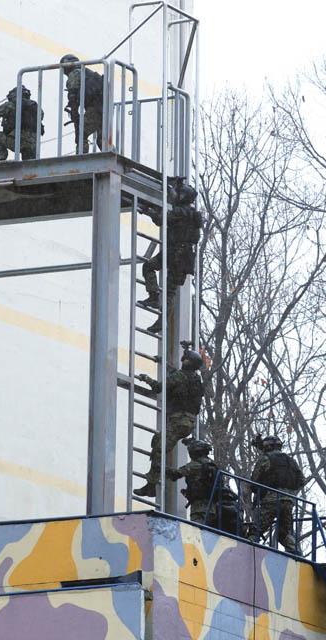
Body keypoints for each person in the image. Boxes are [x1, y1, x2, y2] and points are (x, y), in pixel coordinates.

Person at [134, 345, 204, 498]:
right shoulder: (196, 379)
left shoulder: (180, 377)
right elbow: (179, 377)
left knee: (159, 450)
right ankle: (151, 483)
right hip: (188, 422)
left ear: (187, 362)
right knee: (158, 441)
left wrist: (146, 379)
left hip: (178, 421)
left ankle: (151, 485)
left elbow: (160, 387)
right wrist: (165, 365)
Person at [138, 177, 202, 334]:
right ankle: (159, 313)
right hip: (180, 255)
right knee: (168, 292)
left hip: (176, 255)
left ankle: (154, 298)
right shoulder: (191, 214)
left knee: (150, 268)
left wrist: (149, 211)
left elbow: (161, 220)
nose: (172, 196)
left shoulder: (181, 212)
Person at [249, 435, 305, 554]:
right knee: (285, 534)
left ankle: (246, 550)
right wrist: (290, 492)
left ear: (267, 447)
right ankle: (295, 554)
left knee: (256, 530)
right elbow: (301, 480)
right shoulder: (291, 461)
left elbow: (253, 481)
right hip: (288, 501)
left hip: (271, 500)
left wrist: (260, 490)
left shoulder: (265, 458)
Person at [0, 85, 44, 161]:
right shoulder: (35, 106)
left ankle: (1, 160)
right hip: (33, 144)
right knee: (28, 165)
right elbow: (41, 117)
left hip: (18, 142)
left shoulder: (10, 105)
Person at [167, 439, 218, 525]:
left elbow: (176, 474)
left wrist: (163, 468)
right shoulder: (212, 464)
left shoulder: (196, 465)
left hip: (199, 508)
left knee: (197, 532)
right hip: (212, 508)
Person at [60, 54, 103, 154]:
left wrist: (74, 113)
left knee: (81, 133)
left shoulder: (75, 74)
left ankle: (81, 157)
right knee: (102, 139)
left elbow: (73, 96)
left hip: (94, 109)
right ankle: (112, 155)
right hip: (104, 109)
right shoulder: (88, 72)